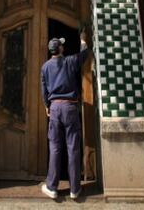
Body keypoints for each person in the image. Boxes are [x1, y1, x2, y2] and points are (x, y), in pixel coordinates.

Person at [40, 30, 89, 200]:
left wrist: (47, 105)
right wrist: (83, 40)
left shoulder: (45, 67)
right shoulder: (69, 61)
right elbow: (84, 55)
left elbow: (44, 89)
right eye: (62, 44)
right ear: (60, 48)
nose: (63, 46)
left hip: (54, 108)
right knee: (73, 147)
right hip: (70, 107)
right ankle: (75, 189)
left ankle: (52, 187)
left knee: (54, 147)